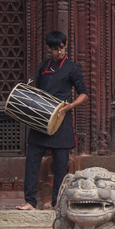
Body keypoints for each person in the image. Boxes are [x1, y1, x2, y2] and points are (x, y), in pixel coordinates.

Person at [16, 31, 88, 211]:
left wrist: (69, 106)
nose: (59, 52)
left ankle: (57, 202)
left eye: (62, 48)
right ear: (49, 48)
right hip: (40, 118)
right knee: (32, 161)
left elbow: (84, 94)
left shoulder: (72, 68)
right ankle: (30, 202)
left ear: (66, 45)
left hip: (61, 118)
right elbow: (36, 92)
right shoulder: (44, 66)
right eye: (55, 49)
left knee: (60, 165)